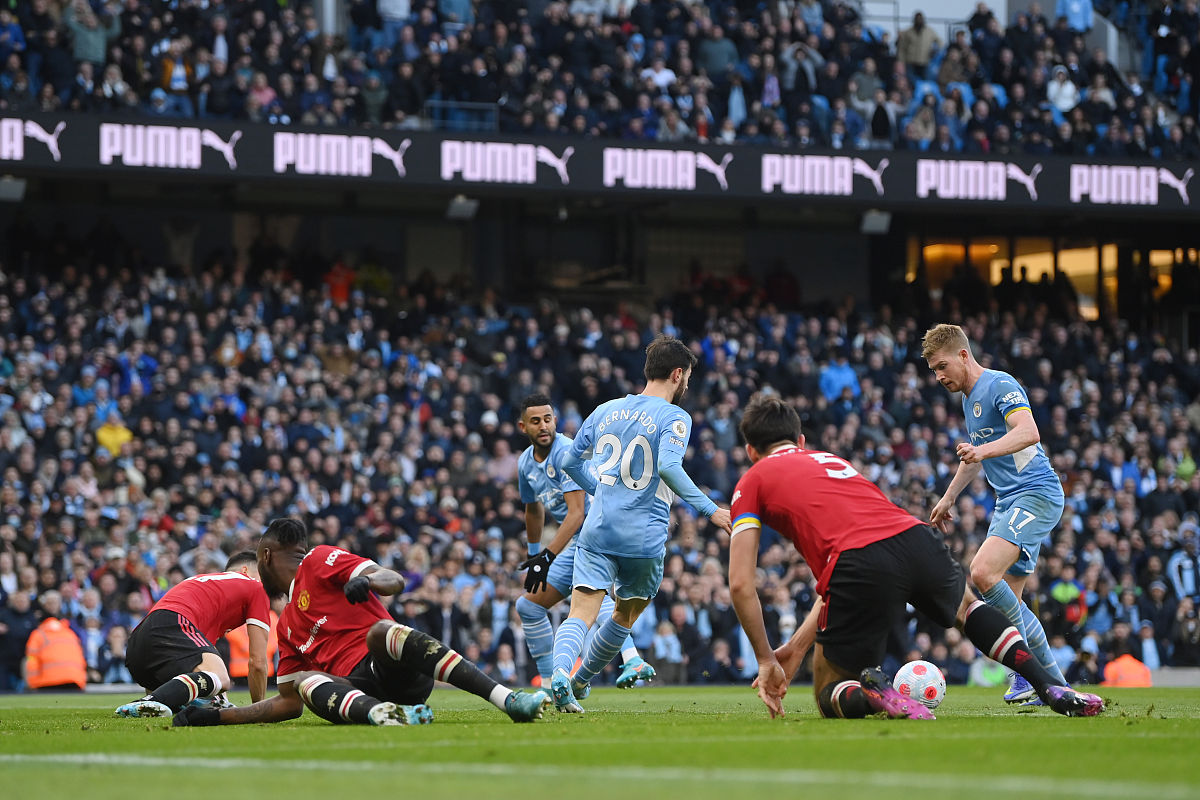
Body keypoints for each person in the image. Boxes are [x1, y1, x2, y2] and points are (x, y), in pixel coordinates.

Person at [728, 394, 1105, 719]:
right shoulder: (832, 461)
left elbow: (742, 584)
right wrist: (796, 648)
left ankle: (875, 695)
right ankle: (1049, 685)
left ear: (750, 452)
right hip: (914, 536)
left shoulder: (753, 480)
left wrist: (766, 659)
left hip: (858, 561)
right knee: (969, 610)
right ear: (801, 440)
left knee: (829, 687)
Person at [173, 517, 549, 727]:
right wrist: (218, 717)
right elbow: (287, 704)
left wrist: (368, 581)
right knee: (305, 682)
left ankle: (508, 699)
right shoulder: (285, 626)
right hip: (359, 691)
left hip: (397, 668)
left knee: (382, 632)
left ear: (266, 556)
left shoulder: (318, 560)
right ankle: (388, 716)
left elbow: (393, 579)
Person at [550, 335, 732, 712]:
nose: (687, 385)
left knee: (580, 612)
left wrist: (601, 491)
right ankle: (581, 681)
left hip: (598, 529)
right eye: (687, 378)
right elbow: (668, 466)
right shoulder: (674, 417)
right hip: (643, 537)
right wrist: (710, 510)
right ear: (677, 374)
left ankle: (561, 674)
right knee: (623, 616)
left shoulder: (605, 410)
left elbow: (568, 462)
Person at [923, 323, 1073, 705]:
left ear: (963, 355)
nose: (938, 377)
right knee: (1010, 606)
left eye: (942, 366)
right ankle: (1058, 689)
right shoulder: (968, 399)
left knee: (982, 572)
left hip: (1036, 493)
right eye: (933, 371)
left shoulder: (999, 384)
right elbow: (976, 457)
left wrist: (982, 451)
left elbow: (1028, 432)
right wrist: (948, 498)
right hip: (1010, 500)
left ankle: (1023, 674)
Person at [514, 392, 656, 689]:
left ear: (555, 421)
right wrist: (534, 554)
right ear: (522, 427)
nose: (543, 426)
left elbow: (577, 513)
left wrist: (546, 557)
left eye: (548, 419)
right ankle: (551, 682)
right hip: (581, 539)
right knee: (529, 607)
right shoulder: (525, 463)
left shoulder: (565, 452)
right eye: (536, 421)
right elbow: (533, 510)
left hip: (598, 530)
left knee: (591, 599)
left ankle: (629, 658)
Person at [115, 550, 271, 717]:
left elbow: (205, 661)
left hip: (138, 647)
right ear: (245, 571)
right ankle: (148, 701)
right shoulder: (256, 586)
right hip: (172, 625)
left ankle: (155, 699)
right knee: (221, 678)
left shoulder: (205, 586)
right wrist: (258, 710)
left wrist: (221, 700)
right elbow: (258, 662)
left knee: (207, 691)